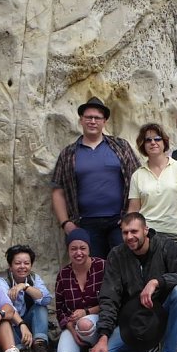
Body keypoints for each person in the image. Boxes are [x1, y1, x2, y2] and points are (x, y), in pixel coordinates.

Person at [127, 122, 177, 352]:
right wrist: (131, 236)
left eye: (157, 139)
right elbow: (134, 210)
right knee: (155, 288)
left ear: (165, 142)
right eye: (148, 140)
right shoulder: (138, 174)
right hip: (149, 238)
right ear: (142, 145)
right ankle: (157, 339)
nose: (153, 143)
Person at [88, 213, 177, 352]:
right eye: (125, 232)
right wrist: (103, 336)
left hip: (162, 316)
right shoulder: (117, 255)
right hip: (133, 323)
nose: (129, 237)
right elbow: (109, 298)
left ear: (145, 230)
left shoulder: (165, 246)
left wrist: (157, 281)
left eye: (134, 231)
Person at [51, 97, 140, 259]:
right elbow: (58, 190)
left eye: (97, 118)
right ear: (81, 120)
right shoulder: (68, 153)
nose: (92, 121)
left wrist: (130, 216)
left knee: (125, 267)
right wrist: (65, 223)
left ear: (104, 121)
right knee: (93, 271)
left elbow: (138, 181)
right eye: (88, 117)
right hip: (84, 224)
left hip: (119, 222)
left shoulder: (121, 147)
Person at [0, 245, 53, 352]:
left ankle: (39, 346)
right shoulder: (0, 281)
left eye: (26, 263)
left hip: (27, 325)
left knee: (40, 307)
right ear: (10, 266)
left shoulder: (33, 278)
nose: (23, 267)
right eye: (18, 263)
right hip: (11, 327)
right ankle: (22, 351)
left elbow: (46, 299)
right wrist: (22, 324)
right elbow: (6, 307)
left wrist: (25, 287)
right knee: (5, 318)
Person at [54, 229, 105, 352]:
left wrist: (86, 312)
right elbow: (60, 309)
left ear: (89, 248)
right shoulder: (63, 275)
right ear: (68, 250)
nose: (78, 253)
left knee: (85, 325)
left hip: (98, 321)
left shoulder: (102, 266)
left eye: (83, 248)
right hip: (73, 325)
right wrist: (70, 327)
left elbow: (113, 301)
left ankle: (95, 344)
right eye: (73, 249)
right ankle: (82, 349)